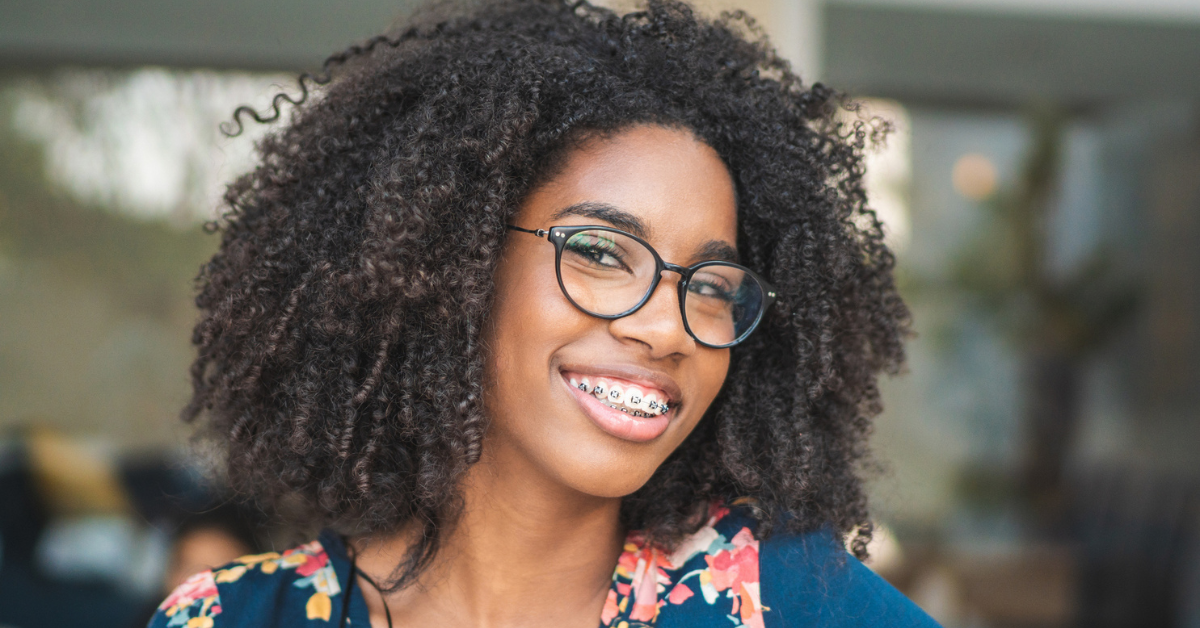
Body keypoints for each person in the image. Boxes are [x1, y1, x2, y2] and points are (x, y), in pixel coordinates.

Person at [150, 0, 934, 626]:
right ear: (452, 261)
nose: (664, 328)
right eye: (597, 252)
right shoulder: (232, 617)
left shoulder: (780, 599)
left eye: (711, 286)